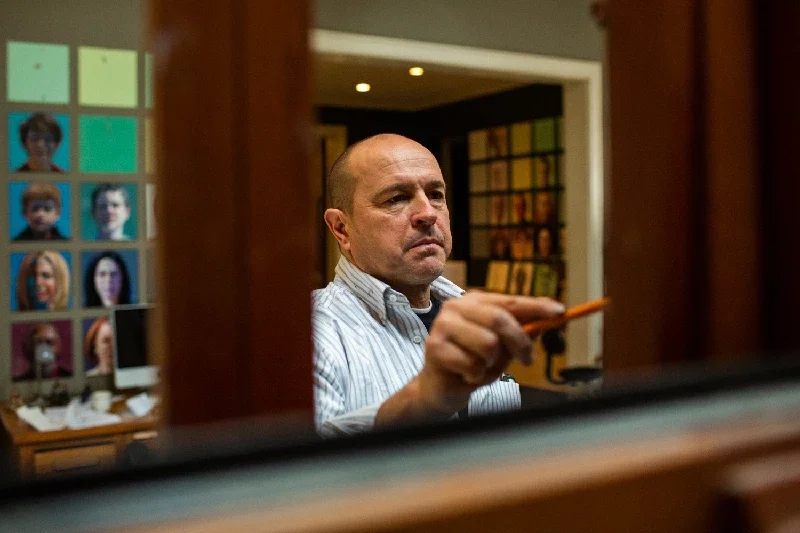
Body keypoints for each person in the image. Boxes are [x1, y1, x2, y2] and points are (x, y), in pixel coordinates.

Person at [314, 134, 565, 436]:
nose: (428, 213)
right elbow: (302, 461)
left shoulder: (469, 312)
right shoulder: (313, 334)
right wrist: (423, 402)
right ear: (342, 229)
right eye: (396, 199)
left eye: (435, 194)